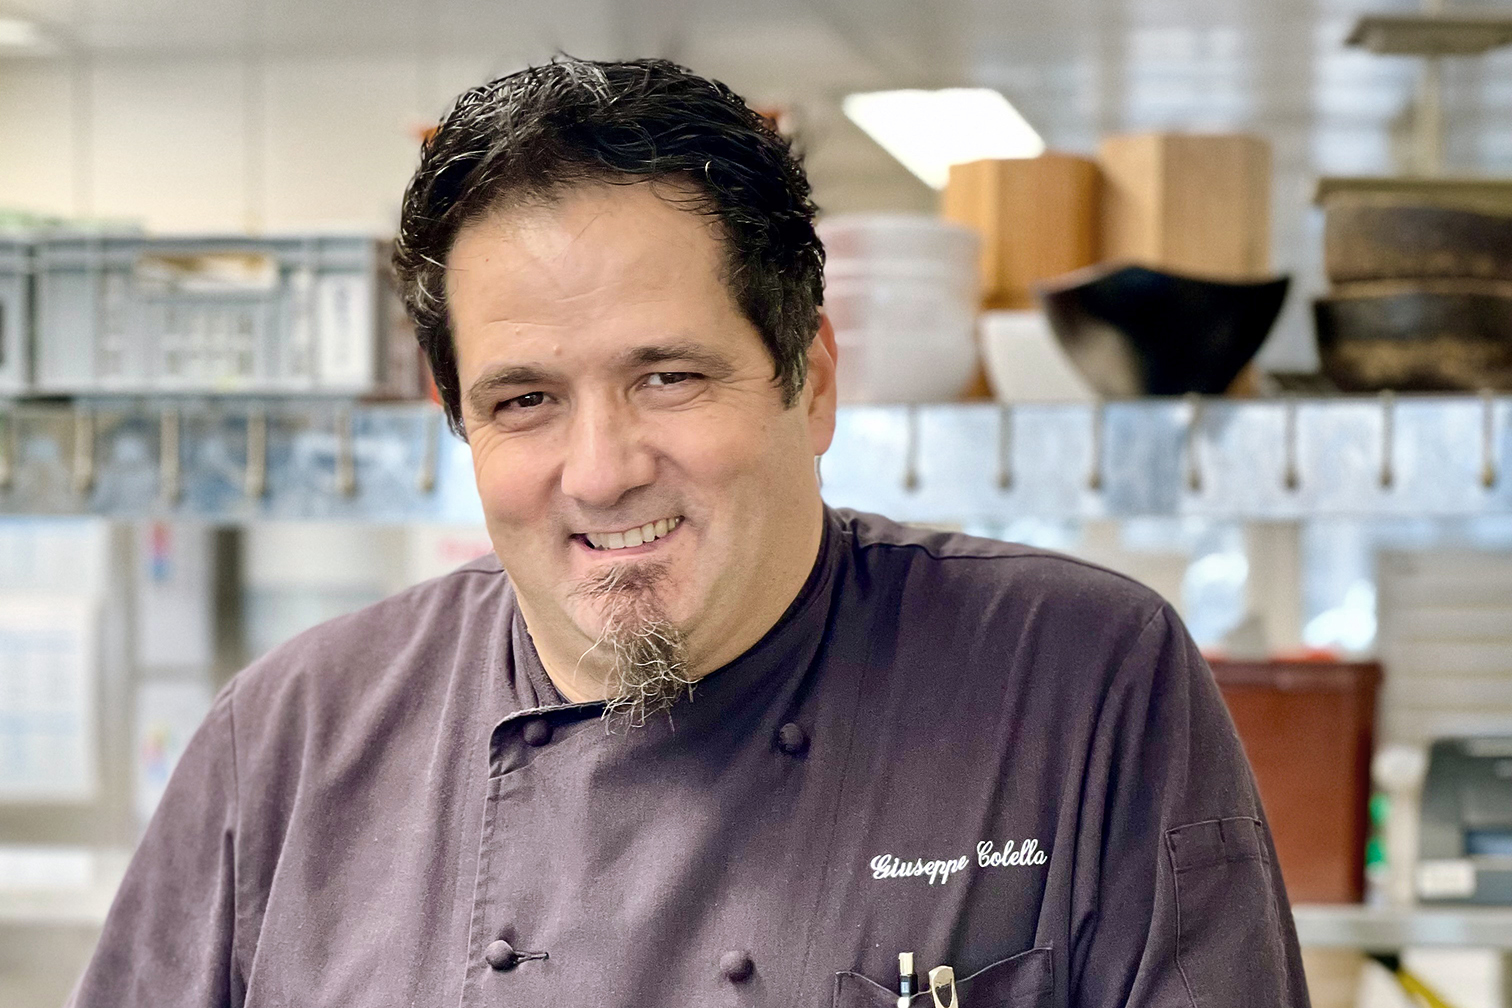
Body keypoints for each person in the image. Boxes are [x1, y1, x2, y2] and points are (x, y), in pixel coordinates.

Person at [68, 58, 1309, 1007]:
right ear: (460, 420)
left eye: (668, 377)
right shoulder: (286, 743)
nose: (602, 471)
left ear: (809, 381)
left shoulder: (1082, 679)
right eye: (524, 401)